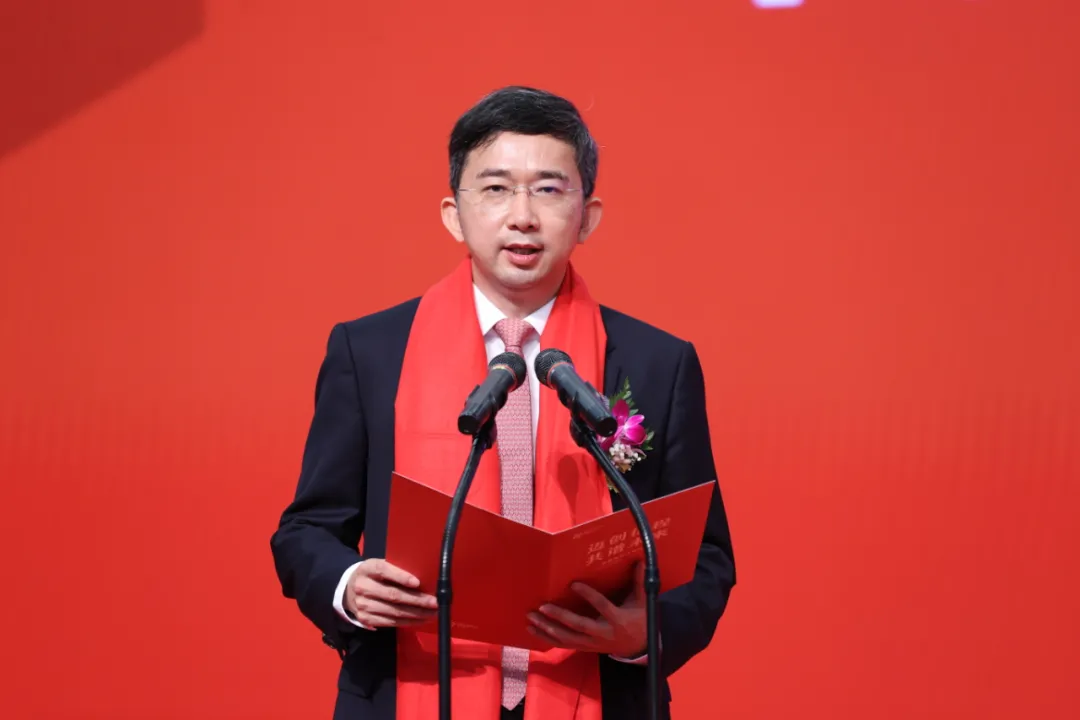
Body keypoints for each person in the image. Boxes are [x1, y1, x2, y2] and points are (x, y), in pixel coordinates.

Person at [270, 86, 736, 720]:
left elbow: (706, 556)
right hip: (408, 688)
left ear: (587, 216)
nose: (522, 216)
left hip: (600, 693)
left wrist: (644, 633)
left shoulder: (658, 363)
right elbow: (307, 529)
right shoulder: (370, 352)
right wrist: (348, 586)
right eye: (495, 189)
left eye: (548, 190)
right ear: (453, 214)